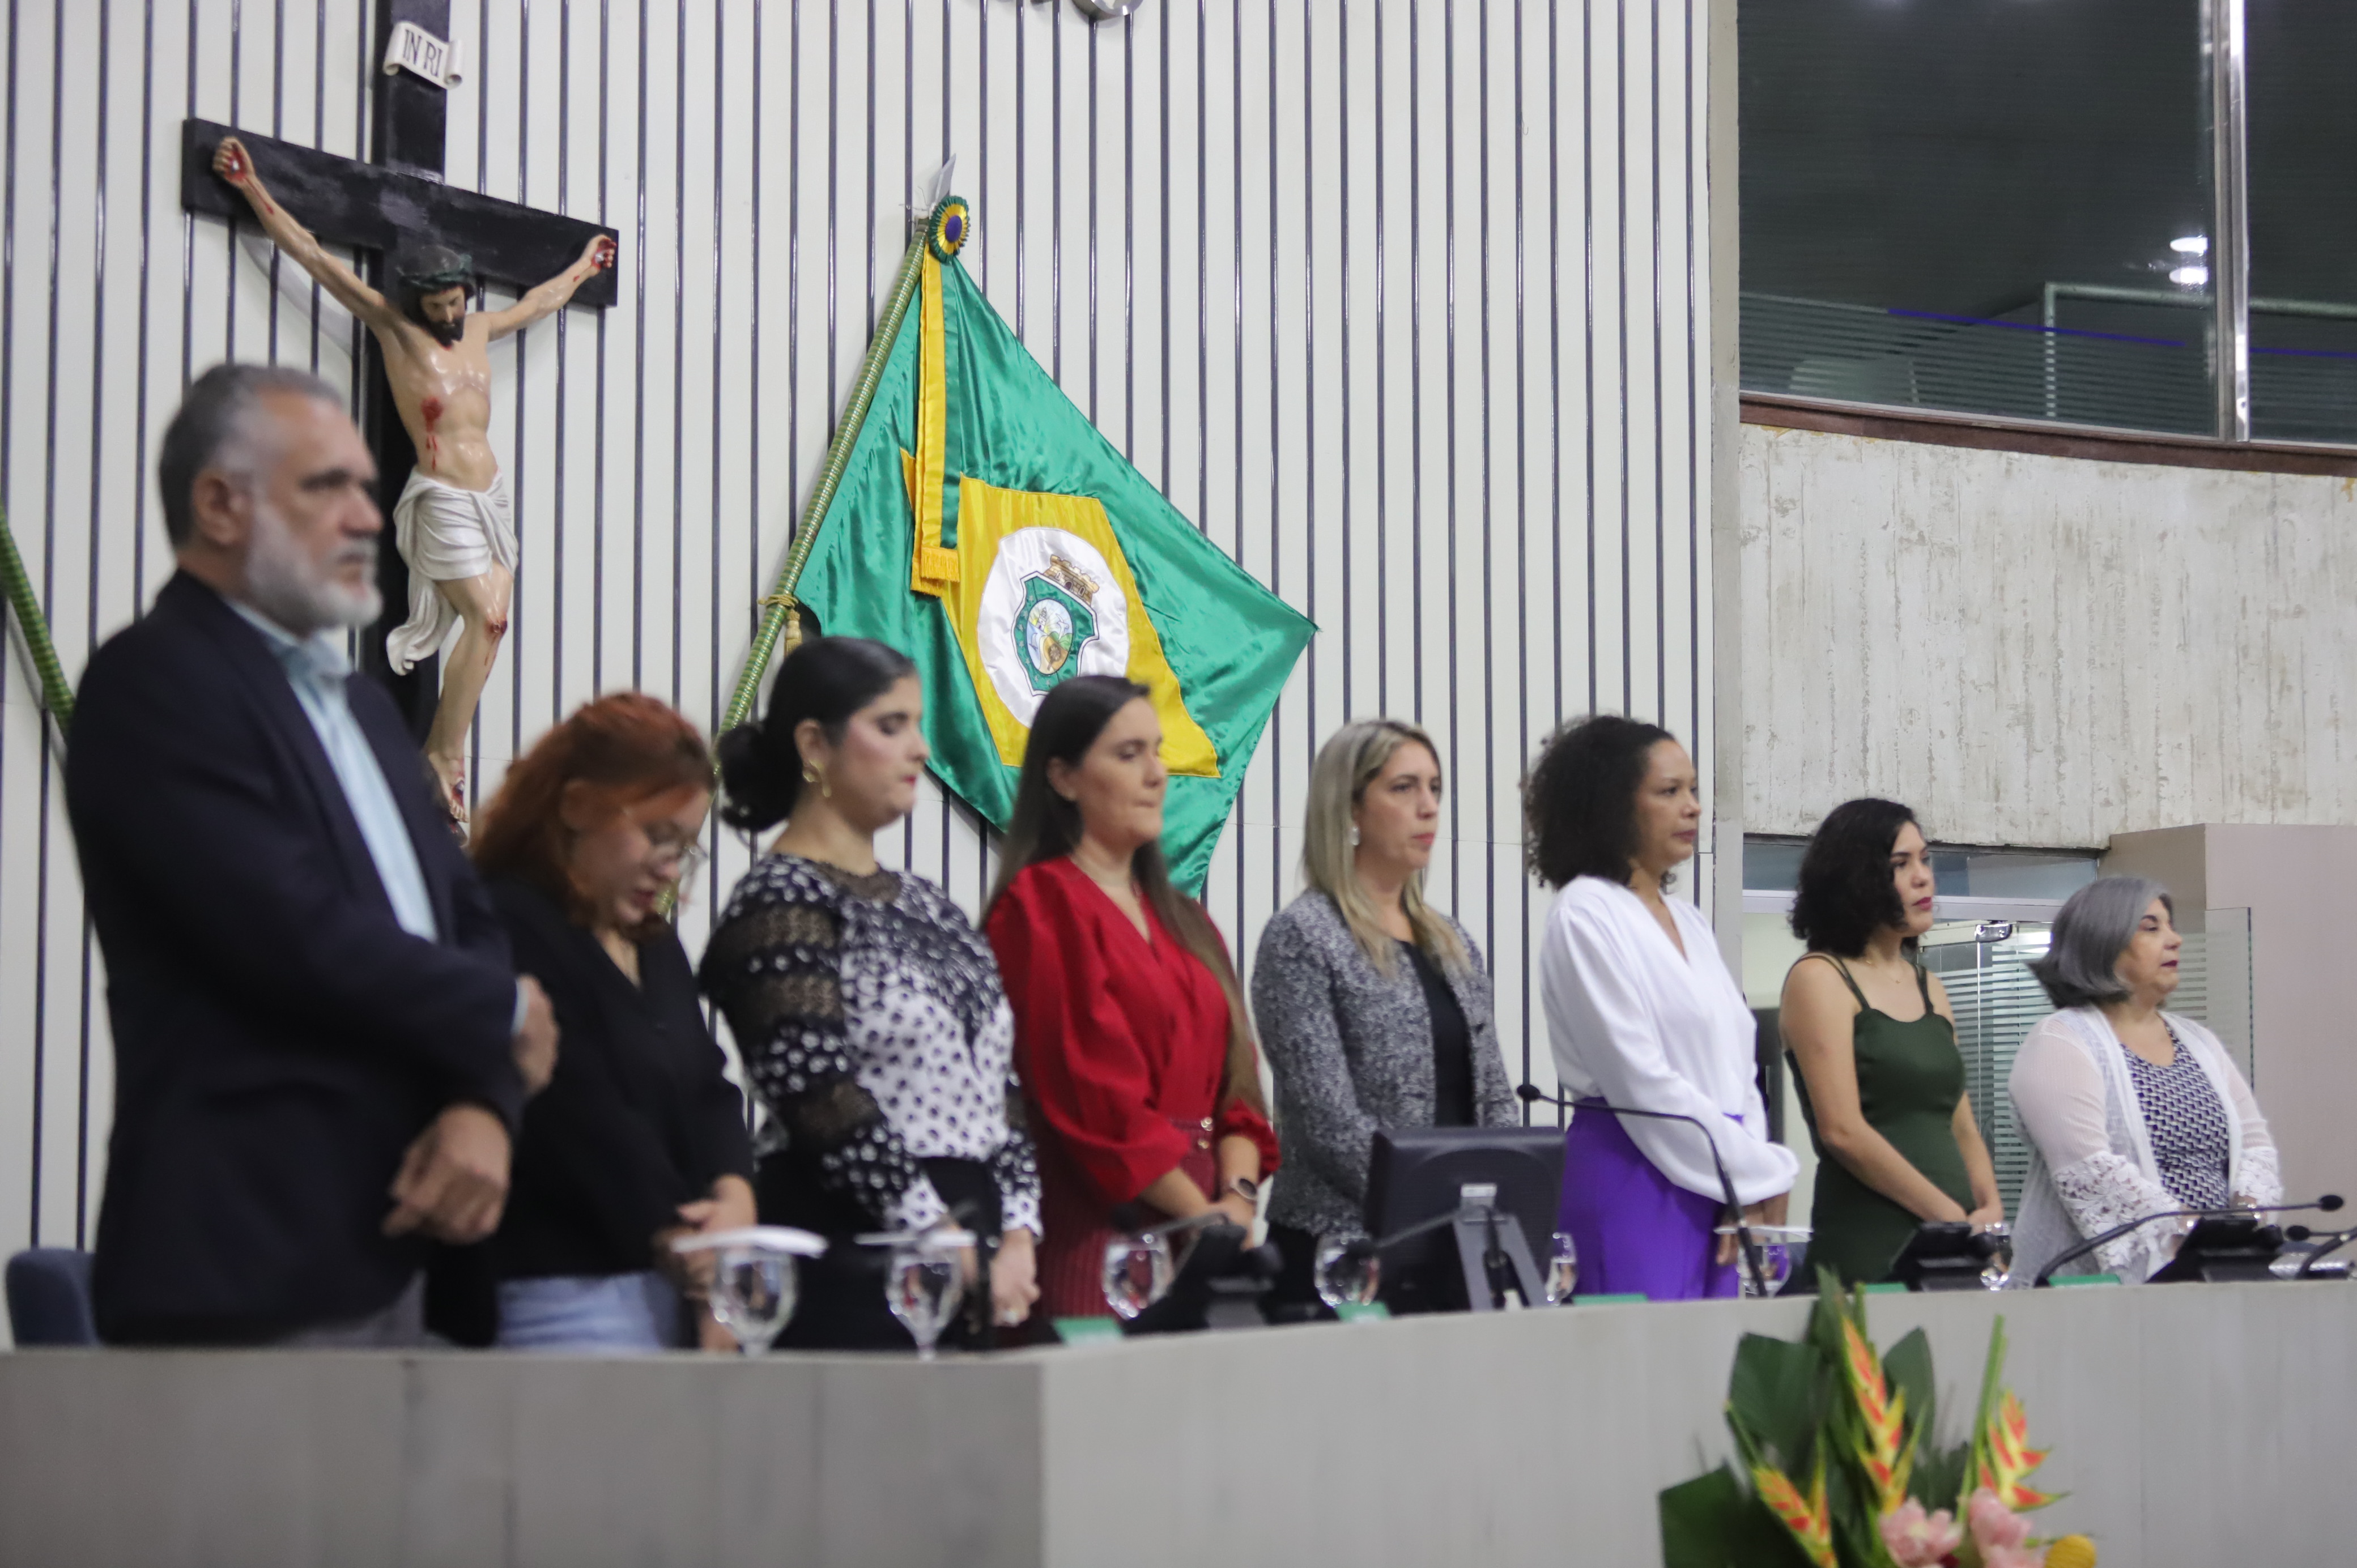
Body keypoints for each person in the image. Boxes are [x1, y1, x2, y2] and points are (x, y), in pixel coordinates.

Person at [65, 363, 557, 1346]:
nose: (369, 518)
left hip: (427, 1243)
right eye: (328, 485)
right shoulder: (153, 682)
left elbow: (465, 916)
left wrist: (481, 1102)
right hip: (252, 1253)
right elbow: (287, 931)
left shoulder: (364, 707)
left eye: (368, 489)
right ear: (220, 504)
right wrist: (502, 1011)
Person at [212, 134, 616, 822]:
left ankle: (443, 752)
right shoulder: (395, 330)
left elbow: (539, 303)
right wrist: (252, 186)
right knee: (485, 615)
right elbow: (313, 256)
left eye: (457, 301)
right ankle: (444, 758)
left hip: (492, 497)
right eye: (439, 306)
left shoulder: (480, 330)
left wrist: (583, 266)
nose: (451, 315)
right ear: (417, 300)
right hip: (443, 496)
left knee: (494, 625)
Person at [700, 638, 1041, 1349]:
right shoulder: (778, 900)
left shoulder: (929, 904)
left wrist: (1018, 1231)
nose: (920, 749)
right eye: (891, 725)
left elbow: (1000, 1086)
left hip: (971, 1240)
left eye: (917, 724)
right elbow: (819, 1092)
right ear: (814, 745)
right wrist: (937, 1233)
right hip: (853, 1249)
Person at [983, 675, 1281, 1324]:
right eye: (1128, 754)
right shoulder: (1038, 906)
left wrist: (1235, 1201)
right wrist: (1204, 1215)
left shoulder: (1188, 922)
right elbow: (1090, 1099)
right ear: (1063, 778)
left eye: (1157, 750)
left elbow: (1239, 1089)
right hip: (1098, 1233)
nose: (1157, 773)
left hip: (1206, 1231)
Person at [470, 694, 756, 1351]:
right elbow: (575, 1109)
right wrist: (686, 1240)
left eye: (684, 848)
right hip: (564, 1289)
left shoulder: (651, 941)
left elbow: (708, 1087)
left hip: (678, 1281)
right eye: (657, 836)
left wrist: (735, 1200)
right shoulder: (508, 922)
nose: (669, 868)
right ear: (577, 805)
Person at [1252, 719, 1518, 1309]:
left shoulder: (1452, 943)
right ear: (1350, 807)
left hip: (1456, 1242)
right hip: (1342, 1250)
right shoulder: (1303, 937)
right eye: (1403, 788)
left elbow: (1493, 1095)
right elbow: (1327, 1122)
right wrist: (1431, 1199)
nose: (1428, 807)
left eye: (1435, 788)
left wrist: (1498, 1186)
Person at [1529, 714, 1796, 1301]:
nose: (1692, 807)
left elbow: (1737, 1067)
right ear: (1613, 805)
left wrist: (1752, 1171)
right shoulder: (1584, 913)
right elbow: (1641, 1080)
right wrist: (1756, 1171)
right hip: (1633, 1174)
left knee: (1717, 1354)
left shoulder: (1690, 921)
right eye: (1669, 791)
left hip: (1720, 1180)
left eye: (1693, 789)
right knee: (1640, 1356)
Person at [2008, 876, 2281, 1284]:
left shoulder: (2198, 1041)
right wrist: (2195, 1236)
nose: (2175, 940)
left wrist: (2242, 1225)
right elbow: (2091, 1172)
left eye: (2171, 926)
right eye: (2151, 928)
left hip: (2217, 1276)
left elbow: (2255, 1146)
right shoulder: (2060, 1040)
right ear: (2102, 943)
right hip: (2096, 1293)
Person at [1779, 799, 2003, 1284]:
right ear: (1855, 879)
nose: (1924, 878)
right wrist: (1947, 1215)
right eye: (1901, 865)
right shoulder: (1820, 978)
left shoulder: (1930, 986)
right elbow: (1842, 1131)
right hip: (1873, 1237)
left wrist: (1989, 1209)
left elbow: (1962, 1125)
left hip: (1955, 1235)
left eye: (1925, 859)